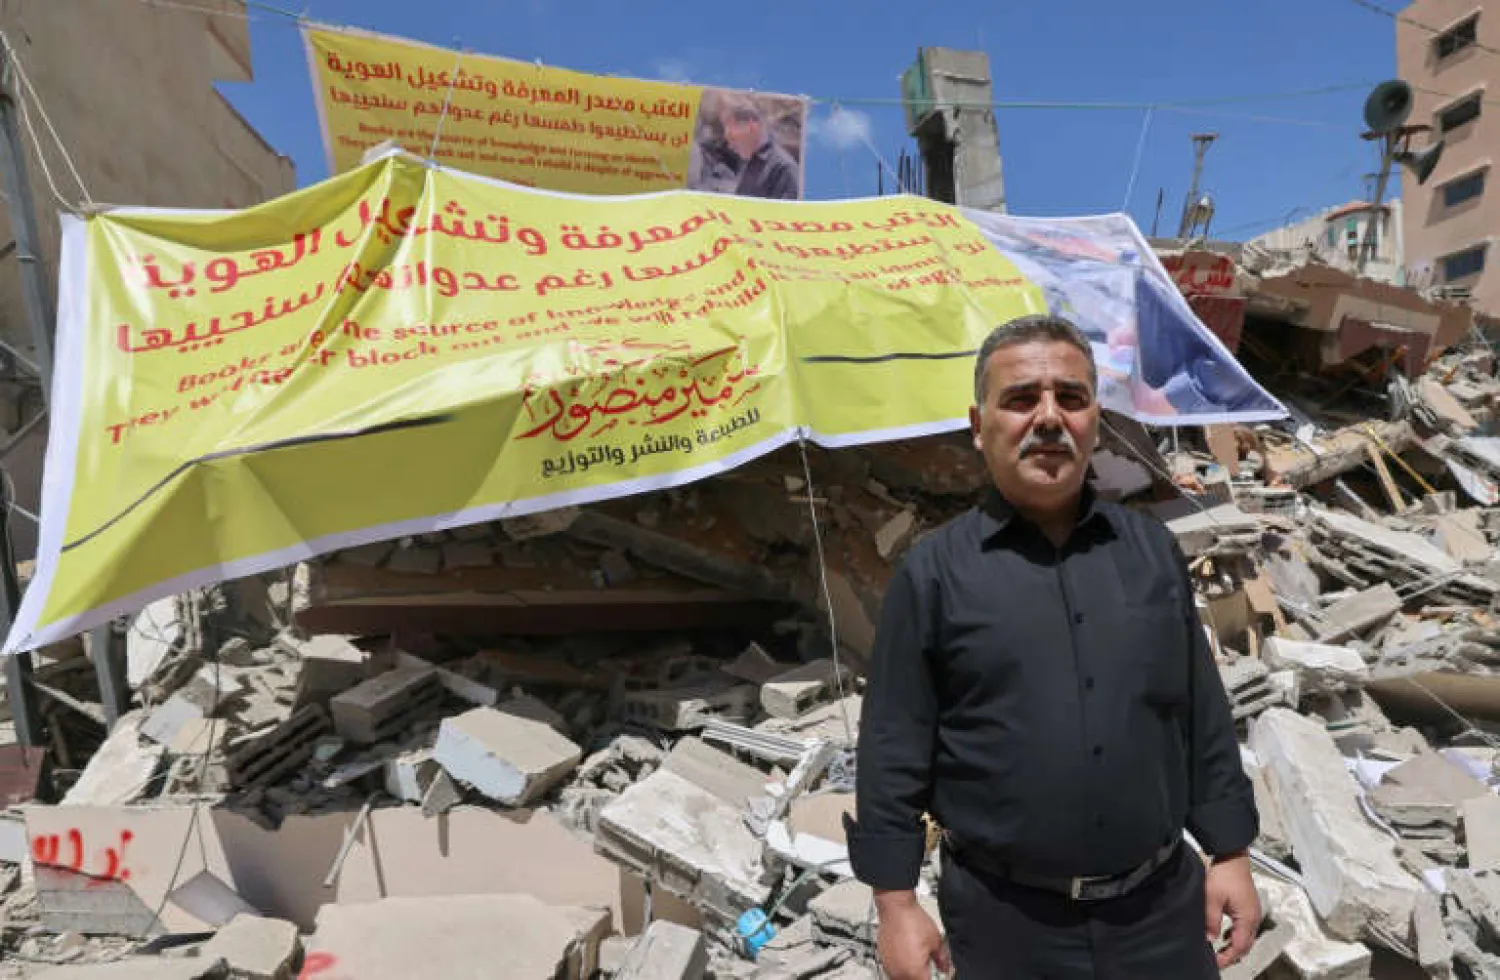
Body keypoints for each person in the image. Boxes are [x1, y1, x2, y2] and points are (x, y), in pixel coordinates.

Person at [845, 314, 1261, 979]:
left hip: (1160, 916)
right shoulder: (933, 577)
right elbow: (892, 751)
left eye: (1071, 397)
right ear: (979, 427)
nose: (1048, 418)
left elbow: (1199, 715)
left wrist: (1231, 851)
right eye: (1020, 399)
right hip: (1006, 927)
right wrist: (896, 903)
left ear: (1095, 419)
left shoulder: (1150, 551)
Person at [717, 96, 800, 200]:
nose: (730, 146)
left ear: (751, 127)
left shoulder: (785, 169)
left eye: (732, 138)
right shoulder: (748, 159)